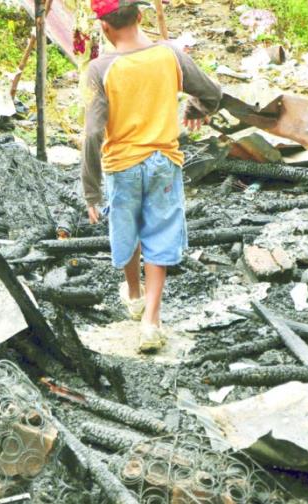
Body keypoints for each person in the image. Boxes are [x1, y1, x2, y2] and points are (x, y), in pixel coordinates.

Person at [81, 0, 222, 352]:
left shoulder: (100, 69)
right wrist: (196, 108)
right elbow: (212, 93)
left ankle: (133, 295)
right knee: (159, 232)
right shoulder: (170, 54)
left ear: (104, 27)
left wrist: (91, 191)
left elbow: (93, 133)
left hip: (123, 166)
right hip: (164, 163)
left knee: (127, 227)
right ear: (141, 16)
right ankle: (151, 321)